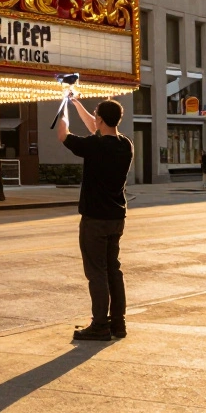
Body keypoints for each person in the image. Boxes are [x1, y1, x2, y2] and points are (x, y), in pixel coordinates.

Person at [57, 93, 133, 342]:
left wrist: (62, 111)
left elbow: (63, 135)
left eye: (96, 116)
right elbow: (95, 127)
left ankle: (100, 325)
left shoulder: (94, 145)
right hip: (116, 217)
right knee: (113, 270)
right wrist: (77, 103)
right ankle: (117, 324)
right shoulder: (125, 144)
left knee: (96, 272)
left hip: (95, 219)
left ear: (100, 119)